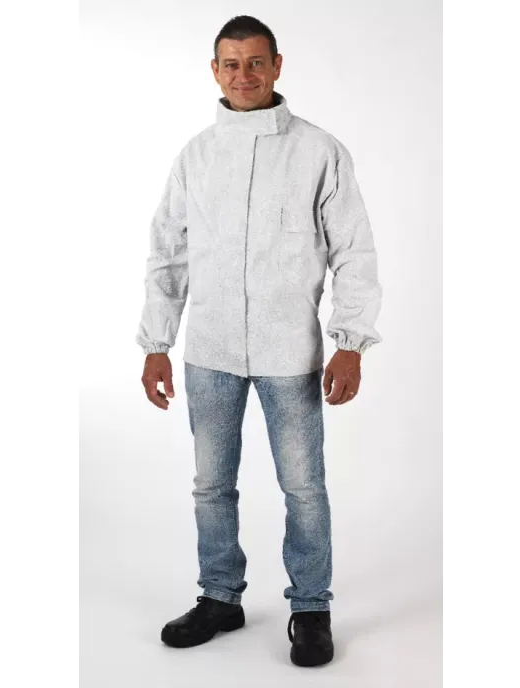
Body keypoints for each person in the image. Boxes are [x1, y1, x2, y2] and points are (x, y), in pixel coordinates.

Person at [136, 15, 383, 667]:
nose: (242, 75)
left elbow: (353, 252)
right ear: (214, 71)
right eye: (230, 63)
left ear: (276, 65)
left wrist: (351, 341)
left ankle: (311, 608)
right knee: (210, 485)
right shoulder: (195, 156)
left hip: (289, 353)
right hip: (209, 350)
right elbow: (168, 253)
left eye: (254, 62)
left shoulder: (318, 151)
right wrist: (157, 343)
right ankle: (220, 597)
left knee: (303, 487)